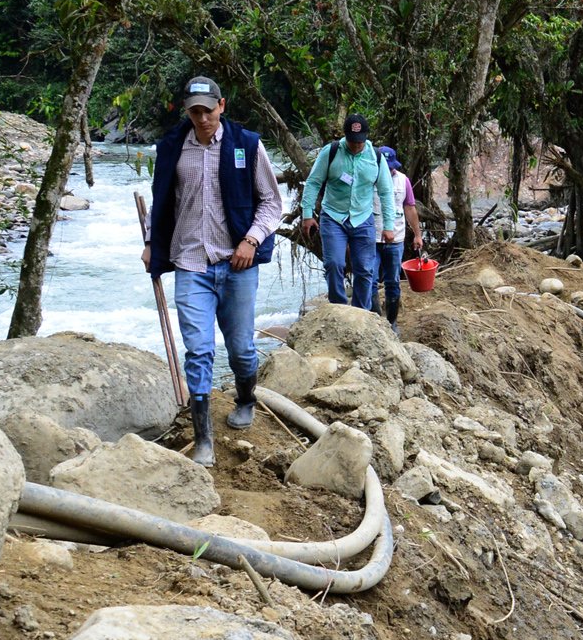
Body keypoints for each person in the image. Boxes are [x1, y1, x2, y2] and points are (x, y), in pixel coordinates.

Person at [142, 76, 283, 467]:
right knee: (199, 350)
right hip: (191, 263)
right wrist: (153, 242)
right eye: (194, 110)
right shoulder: (172, 148)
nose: (202, 117)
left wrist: (251, 241)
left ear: (222, 106)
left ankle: (245, 398)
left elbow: (272, 203)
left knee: (241, 350)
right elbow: (161, 201)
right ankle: (204, 439)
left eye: (208, 109)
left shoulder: (247, 145)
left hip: (237, 264)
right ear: (186, 110)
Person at [298, 113, 398, 311]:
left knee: (365, 269)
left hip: (363, 219)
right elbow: (313, 182)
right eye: (352, 142)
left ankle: (360, 311)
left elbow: (386, 192)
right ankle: (339, 308)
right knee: (334, 263)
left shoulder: (375, 157)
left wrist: (389, 226)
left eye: (360, 142)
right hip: (333, 216)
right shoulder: (332, 152)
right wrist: (307, 214)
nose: (356, 146)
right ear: (345, 136)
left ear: (366, 137)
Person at [373, 146, 424, 330]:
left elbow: (409, 208)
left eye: (390, 167)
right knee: (369, 280)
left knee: (392, 281)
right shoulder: (368, 177)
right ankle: (376, 322)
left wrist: (417, 234)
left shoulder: (403, 181)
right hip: (371, 239)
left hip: (395, 239)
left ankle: (391, 322)